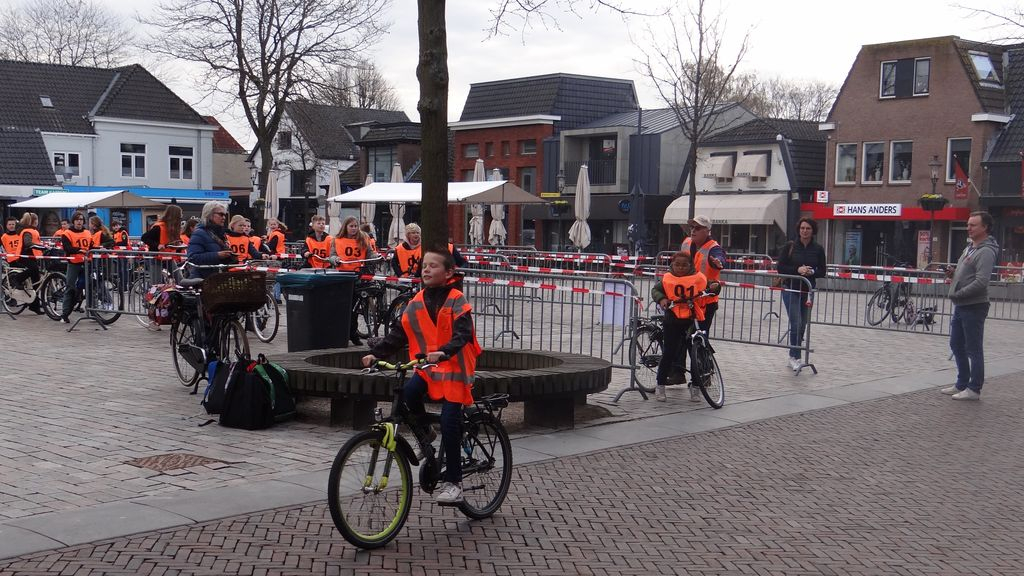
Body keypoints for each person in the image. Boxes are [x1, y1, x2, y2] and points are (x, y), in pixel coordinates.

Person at [361, 250, 482, 505]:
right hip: (429, 368)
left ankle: (454, 482)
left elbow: (463, 334)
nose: (426, 270)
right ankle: (426, 433)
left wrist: (445, 351)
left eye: (433, 266)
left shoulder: (457, 299)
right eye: (424, 266)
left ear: (448, 273)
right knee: (408, 394)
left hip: (456, 370)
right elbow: (399, 334)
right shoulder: (416, 301)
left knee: (449, 420)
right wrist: (375, 353)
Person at [941, 211, 999, 401]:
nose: (968, 228)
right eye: (968, 224)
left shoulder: (986, 251)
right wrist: (953, 274)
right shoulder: (970, 247)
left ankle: (974, 388)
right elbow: (965, 272)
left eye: (973, 225)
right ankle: (962, 382)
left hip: (974, 305)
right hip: (962, 304)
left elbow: (981, 282)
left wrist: (958, 293)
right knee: (956, 344)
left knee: (974, 348)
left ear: (985, 228)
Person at [651, 251, 711, 402]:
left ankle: (696, 387)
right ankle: (660, 385)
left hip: (692, 318)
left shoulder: (698, 277)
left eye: (684, 265)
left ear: (690, 265)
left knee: (695, 354)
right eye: (677, 265)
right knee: (669, 352)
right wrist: (662, 299)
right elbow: (656, 290)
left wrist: (715, 287)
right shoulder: (667, 278)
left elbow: (709, 286)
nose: (680, 268)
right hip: (673, 318)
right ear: (672, 265)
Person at [776, 217, 827, 372]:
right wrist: (797, 270)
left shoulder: (818, 249)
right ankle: (794, 357)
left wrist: (811, 271)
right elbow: (781, 267)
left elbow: (822, 271)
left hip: (807, 291)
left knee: (803, 324)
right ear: (799, 230)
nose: (804, 231)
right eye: (802, 228)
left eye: (808, 229)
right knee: (796, 323)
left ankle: (794, 352)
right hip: (791, 289)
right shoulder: (790, 246)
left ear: (813, 231)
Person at [333, 216, 371, 346]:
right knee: (343, 306)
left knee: (354, 308)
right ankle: (341, 333)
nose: (354, 228)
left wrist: (377, 258)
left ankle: (353, 334)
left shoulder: (364, 239)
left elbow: (370, 254)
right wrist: (335, 259)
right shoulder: (337, 240)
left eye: (356, 226)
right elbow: (331, 255)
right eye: (351, 226)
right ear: (346, 227)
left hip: (358, 275)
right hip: (342, 275)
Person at [185, 201, 235, 280]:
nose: (224, 217)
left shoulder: (220, 233)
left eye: (225, 215)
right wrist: (217, 255)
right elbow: (192, 258)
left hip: (217, 277)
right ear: (209, 214)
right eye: (221, 214)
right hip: (203, 279)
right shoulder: (199, 233)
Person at [60, 212, 93, 324]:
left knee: (83, 284)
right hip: (74, 263)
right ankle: (65, 313)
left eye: (81, 219)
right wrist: (78, 250)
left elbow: (91, 246)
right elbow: (67, 247)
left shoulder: (88, 232)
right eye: (77, 219)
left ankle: (80, 301)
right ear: (73, 221)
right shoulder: (67, 233)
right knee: (70, 286)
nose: (79, 221)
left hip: (86, 262)